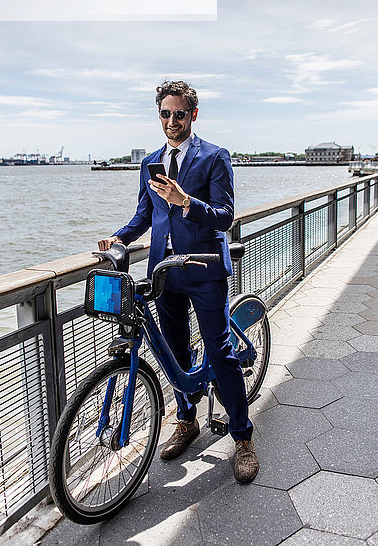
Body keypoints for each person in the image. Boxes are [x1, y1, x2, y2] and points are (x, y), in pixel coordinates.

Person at [98, 80, 259, 482]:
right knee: (175, 352)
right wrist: (119, 237)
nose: (172, 121)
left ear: (193, 115)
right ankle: (186, 420)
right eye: (165, 114)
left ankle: (242, 437)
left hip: (204, 271)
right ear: (159, 115)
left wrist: (185, 202)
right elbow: (144, 215)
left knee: (220, 354)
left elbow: (225, 216)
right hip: (163, 272)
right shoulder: (150, 161)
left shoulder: (215, 157)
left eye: (180, 114)